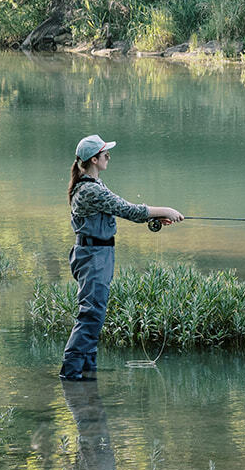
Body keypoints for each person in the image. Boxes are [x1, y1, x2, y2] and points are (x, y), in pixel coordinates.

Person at [58, 134, 183, 380]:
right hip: (93, 255)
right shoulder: (89, 190)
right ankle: (70, 374)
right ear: (93, 159)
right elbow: (129, 210)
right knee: (91, 314)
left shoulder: (95, 184)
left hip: (98, 254)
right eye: (105, 154)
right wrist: (164, 210)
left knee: (95, 314)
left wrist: (153, 217)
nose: (108, 157)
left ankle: (87, 375)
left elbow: (121, 208)